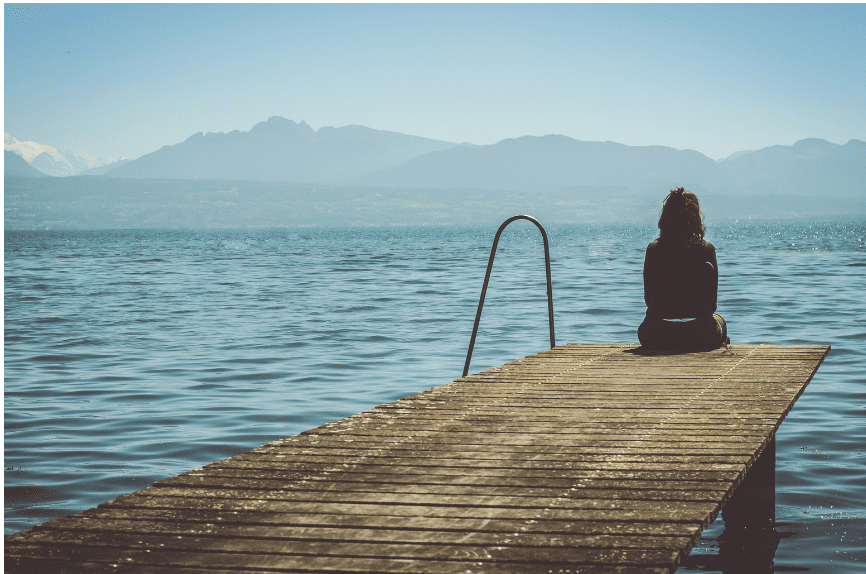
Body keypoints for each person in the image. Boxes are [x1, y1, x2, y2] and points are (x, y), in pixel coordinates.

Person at [638, 187, 728, 351]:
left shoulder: (653, 250)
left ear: (665, 217)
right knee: (719, 320)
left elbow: (648, 300)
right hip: (700, 333)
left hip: (657, 333)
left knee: (644, 328)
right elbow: (712, 305)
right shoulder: (706, 249)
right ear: (695, 218)